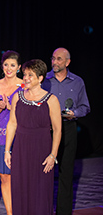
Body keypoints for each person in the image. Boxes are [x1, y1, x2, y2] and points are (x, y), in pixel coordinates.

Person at [4, 59, 61, 214]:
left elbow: (57, 129)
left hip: (42, 150)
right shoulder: (17, 97)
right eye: (25, 75)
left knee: (41, 191)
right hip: (21, 149)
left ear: (40, 78)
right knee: (20, 188)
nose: (26, 78)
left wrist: (53, 155)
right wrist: (7, 151)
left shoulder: (52, 100)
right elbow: (12, 124)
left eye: (30, 75)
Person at [42, 48, 90, 215]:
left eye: (59, 59)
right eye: (53, 58)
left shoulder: (77, 82)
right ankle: (44, 209)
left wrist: (74, 114)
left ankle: (63, 212)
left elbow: (85, 107)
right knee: (44, 173)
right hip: (46, 130)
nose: (55, 62)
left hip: (68, 129)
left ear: (67, 62)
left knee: (66, 173)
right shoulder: (44, 80)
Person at [0, 51, 23, 215]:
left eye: (13, 65)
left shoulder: (24, 86)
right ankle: (10, 213)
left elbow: (30, 114)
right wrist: (0, 107)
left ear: (19, 68)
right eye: (6, 64)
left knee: (20, 178)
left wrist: (11, 107)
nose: (9, 68)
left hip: (19, 137)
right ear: (2, 66)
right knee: (5, 177)